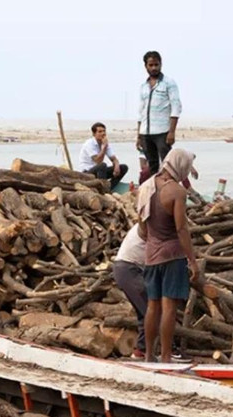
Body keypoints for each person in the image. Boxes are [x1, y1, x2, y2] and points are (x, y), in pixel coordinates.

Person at [137, 150, 199, 363]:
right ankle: (165, 357)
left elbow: (142, 229)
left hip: (151, 256)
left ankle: (148, 355)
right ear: (180, 165)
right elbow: (182, 229)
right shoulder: (177, 192)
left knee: (152, 306)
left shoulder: (146, 187)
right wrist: (192, 260)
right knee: (169, 307)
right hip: (172, 256)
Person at [138, 51, 182, 178]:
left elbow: (176, 107)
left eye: (156, 65)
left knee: (168, 164)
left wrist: (172, 132)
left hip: (162, 132)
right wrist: (138, 135)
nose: (154, 68)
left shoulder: (169, 83)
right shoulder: (143, 86)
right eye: (150, 65)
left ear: (161, 64)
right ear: (145, 66)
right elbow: (141, 111)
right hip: (145, 133)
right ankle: (155, 192)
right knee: (152, 165)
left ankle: (172, 190)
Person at [112, 225, 147, 358]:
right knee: (150, 309)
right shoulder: (148, 226)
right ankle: (147, 350)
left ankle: (141, 350)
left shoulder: (150, 223)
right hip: (128, 269)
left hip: (130, 268)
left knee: (144, 310)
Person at [79, 123, 128, 188]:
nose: (103, 133)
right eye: (100, 131)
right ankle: (102, 189)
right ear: (94, 134)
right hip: (87, 173)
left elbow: (113, 158)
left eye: (104, 131)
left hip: (100, 172)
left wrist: (116, 165)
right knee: (102, 165)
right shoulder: (89, 144)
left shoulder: (104, 143)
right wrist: (104, 147)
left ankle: (109, 188)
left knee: (123, 167)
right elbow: (98, 161)